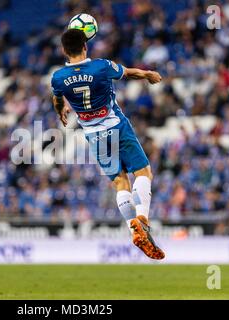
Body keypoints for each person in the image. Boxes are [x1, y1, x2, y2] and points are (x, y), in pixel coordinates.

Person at [51, 29, 164, 260]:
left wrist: (61, 109)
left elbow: (56, 98)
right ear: (86, 47)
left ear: (64, 50)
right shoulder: (101, 67)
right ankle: (142, 219)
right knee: (143, 172)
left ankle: (132, 228)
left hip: (94, 135)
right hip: (116, 126)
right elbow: (128, 73)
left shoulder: (58, 77)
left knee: (120, 181)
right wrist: (147, 74)